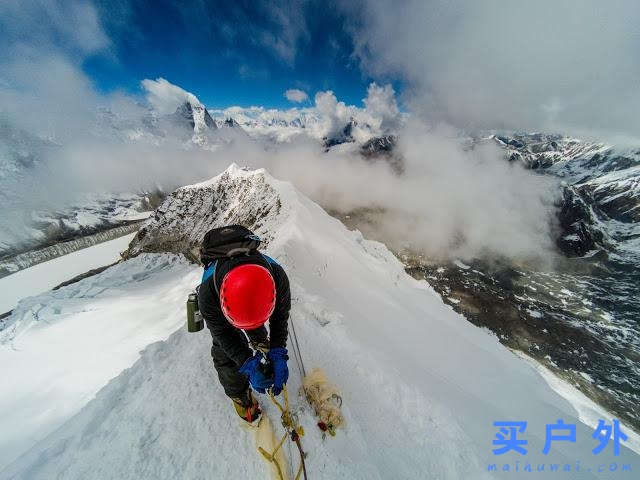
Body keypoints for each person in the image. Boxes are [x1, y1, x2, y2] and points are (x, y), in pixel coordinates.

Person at [198, 242, 291, 423]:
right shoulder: (208, 296)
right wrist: (245, 361)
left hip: (253, 292)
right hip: (218, 289)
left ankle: (260, 341)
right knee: (223, 351)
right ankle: (239, 394)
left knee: (257, 331)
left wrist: (278, 351)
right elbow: (223, 336)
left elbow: (280, 318)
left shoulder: (278, 278)